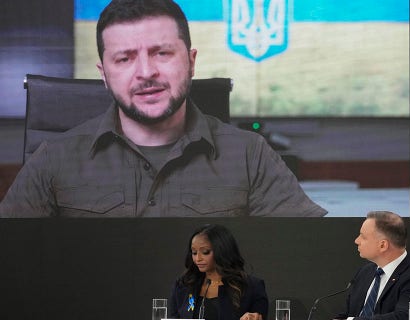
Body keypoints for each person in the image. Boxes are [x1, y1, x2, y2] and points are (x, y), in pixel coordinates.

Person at [0, 0, 326, 218]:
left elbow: (308, 252)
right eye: (125, 58)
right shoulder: (53, 158)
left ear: (192, 61)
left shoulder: (250, 154)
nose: (146, 72)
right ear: (104, 74)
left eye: (162, 53)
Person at [335, 211, 410, 320]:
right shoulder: (365, 272)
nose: (356, 241)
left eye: (363, 236)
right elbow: (347, 314)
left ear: (383, 245)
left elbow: (407, 317)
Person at [169, 224, 268, 320]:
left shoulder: (252, 287)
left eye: (205, 252)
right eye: (194, 252)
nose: (197, 258)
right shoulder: (183, 286)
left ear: (221, 251)